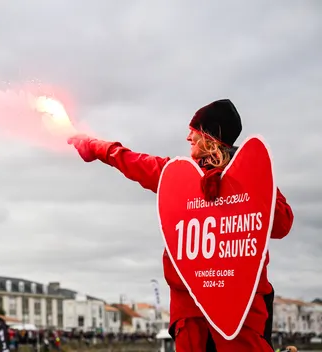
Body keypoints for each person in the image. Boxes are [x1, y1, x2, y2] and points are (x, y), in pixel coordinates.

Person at [67, 99, 294, 352]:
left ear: (210, 136)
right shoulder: (179, 177)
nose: (188, 137)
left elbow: (282, 224)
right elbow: (132, 161)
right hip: (194, 309)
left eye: (194, 132)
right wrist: (94, 146)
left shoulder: (250, 174)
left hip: (238, 305)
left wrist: (245, 175)